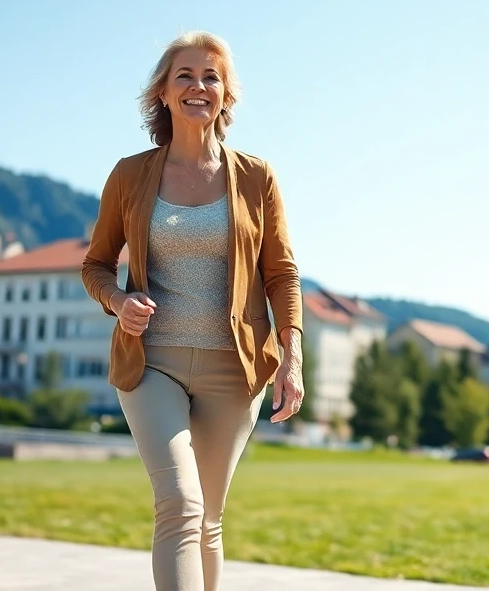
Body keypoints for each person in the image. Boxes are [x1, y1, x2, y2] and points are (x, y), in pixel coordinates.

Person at [81, 30, 304, 591]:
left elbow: (282, 273)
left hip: (236, 367)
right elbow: (96, 265)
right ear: (162, 91)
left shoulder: (256, 178)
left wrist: (292, 358)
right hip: (151, 362)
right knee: (179, 504)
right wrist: (118, 300)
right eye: (185, 75)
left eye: (211, 76)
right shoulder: (130, 175)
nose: (198, 86)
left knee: (207, 519)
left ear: (226, 95)